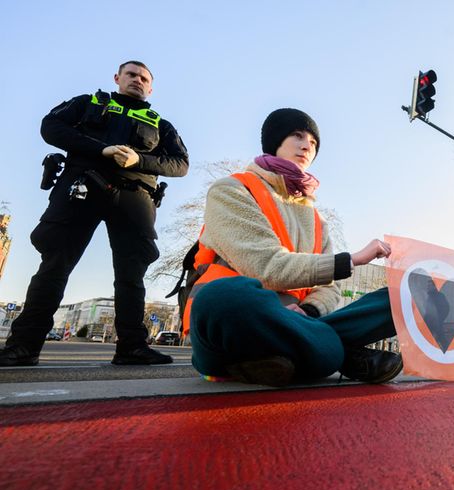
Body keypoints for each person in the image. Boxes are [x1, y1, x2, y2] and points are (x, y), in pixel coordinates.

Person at [185, 108, 401, 387]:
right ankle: (336, 351)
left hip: (299, 322)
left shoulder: (316, 218)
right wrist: (351, 260)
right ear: (275, 141)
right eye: (297, 136)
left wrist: (309, 312)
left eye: (313, 143)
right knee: (224, 297)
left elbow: (329, 289)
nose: (306, 146)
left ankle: (304, 348)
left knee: (399, 298)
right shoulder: (231, 190)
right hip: (234, 323)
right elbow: (265, 267)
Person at [1, 61, 189, 367]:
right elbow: (51, 127)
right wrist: (100, 149)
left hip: (134, 196)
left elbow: (180, 164)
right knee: (54, 265)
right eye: (131, 75)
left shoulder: (160, 124)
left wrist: (138, 159)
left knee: (132, 275)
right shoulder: (87, 103)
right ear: (117, 78)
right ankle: (23, 346)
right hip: (81, 186)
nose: (137, 81)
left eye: (144, 78)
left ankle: (132, 347)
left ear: (151, 87)